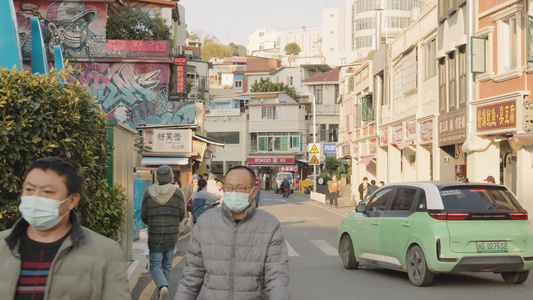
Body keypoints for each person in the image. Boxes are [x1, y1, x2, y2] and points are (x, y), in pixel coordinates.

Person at [0, 156, 131, 299]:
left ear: (72, 200)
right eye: (29, 189)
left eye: (48, 192)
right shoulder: (3, 245)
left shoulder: (105, 252)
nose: (35, 198)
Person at [176, 166, 290, 299]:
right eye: (229, 188)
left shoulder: (270, 225)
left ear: (253, 192)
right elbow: (191, 277)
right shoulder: (205, 222)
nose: (234, 193)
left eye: (241, 188)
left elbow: (277, 278)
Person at [141, 165, 185, 300]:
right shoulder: (178, 192)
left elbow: (144, 215)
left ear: (158, 177)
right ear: (171, 177)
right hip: (171, 234)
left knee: (155, 265)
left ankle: (162, 287)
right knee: (167, 265)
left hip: (155, 234)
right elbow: (182, 214)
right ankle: (163, 291)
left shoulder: (149, 192)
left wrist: (153, 223)